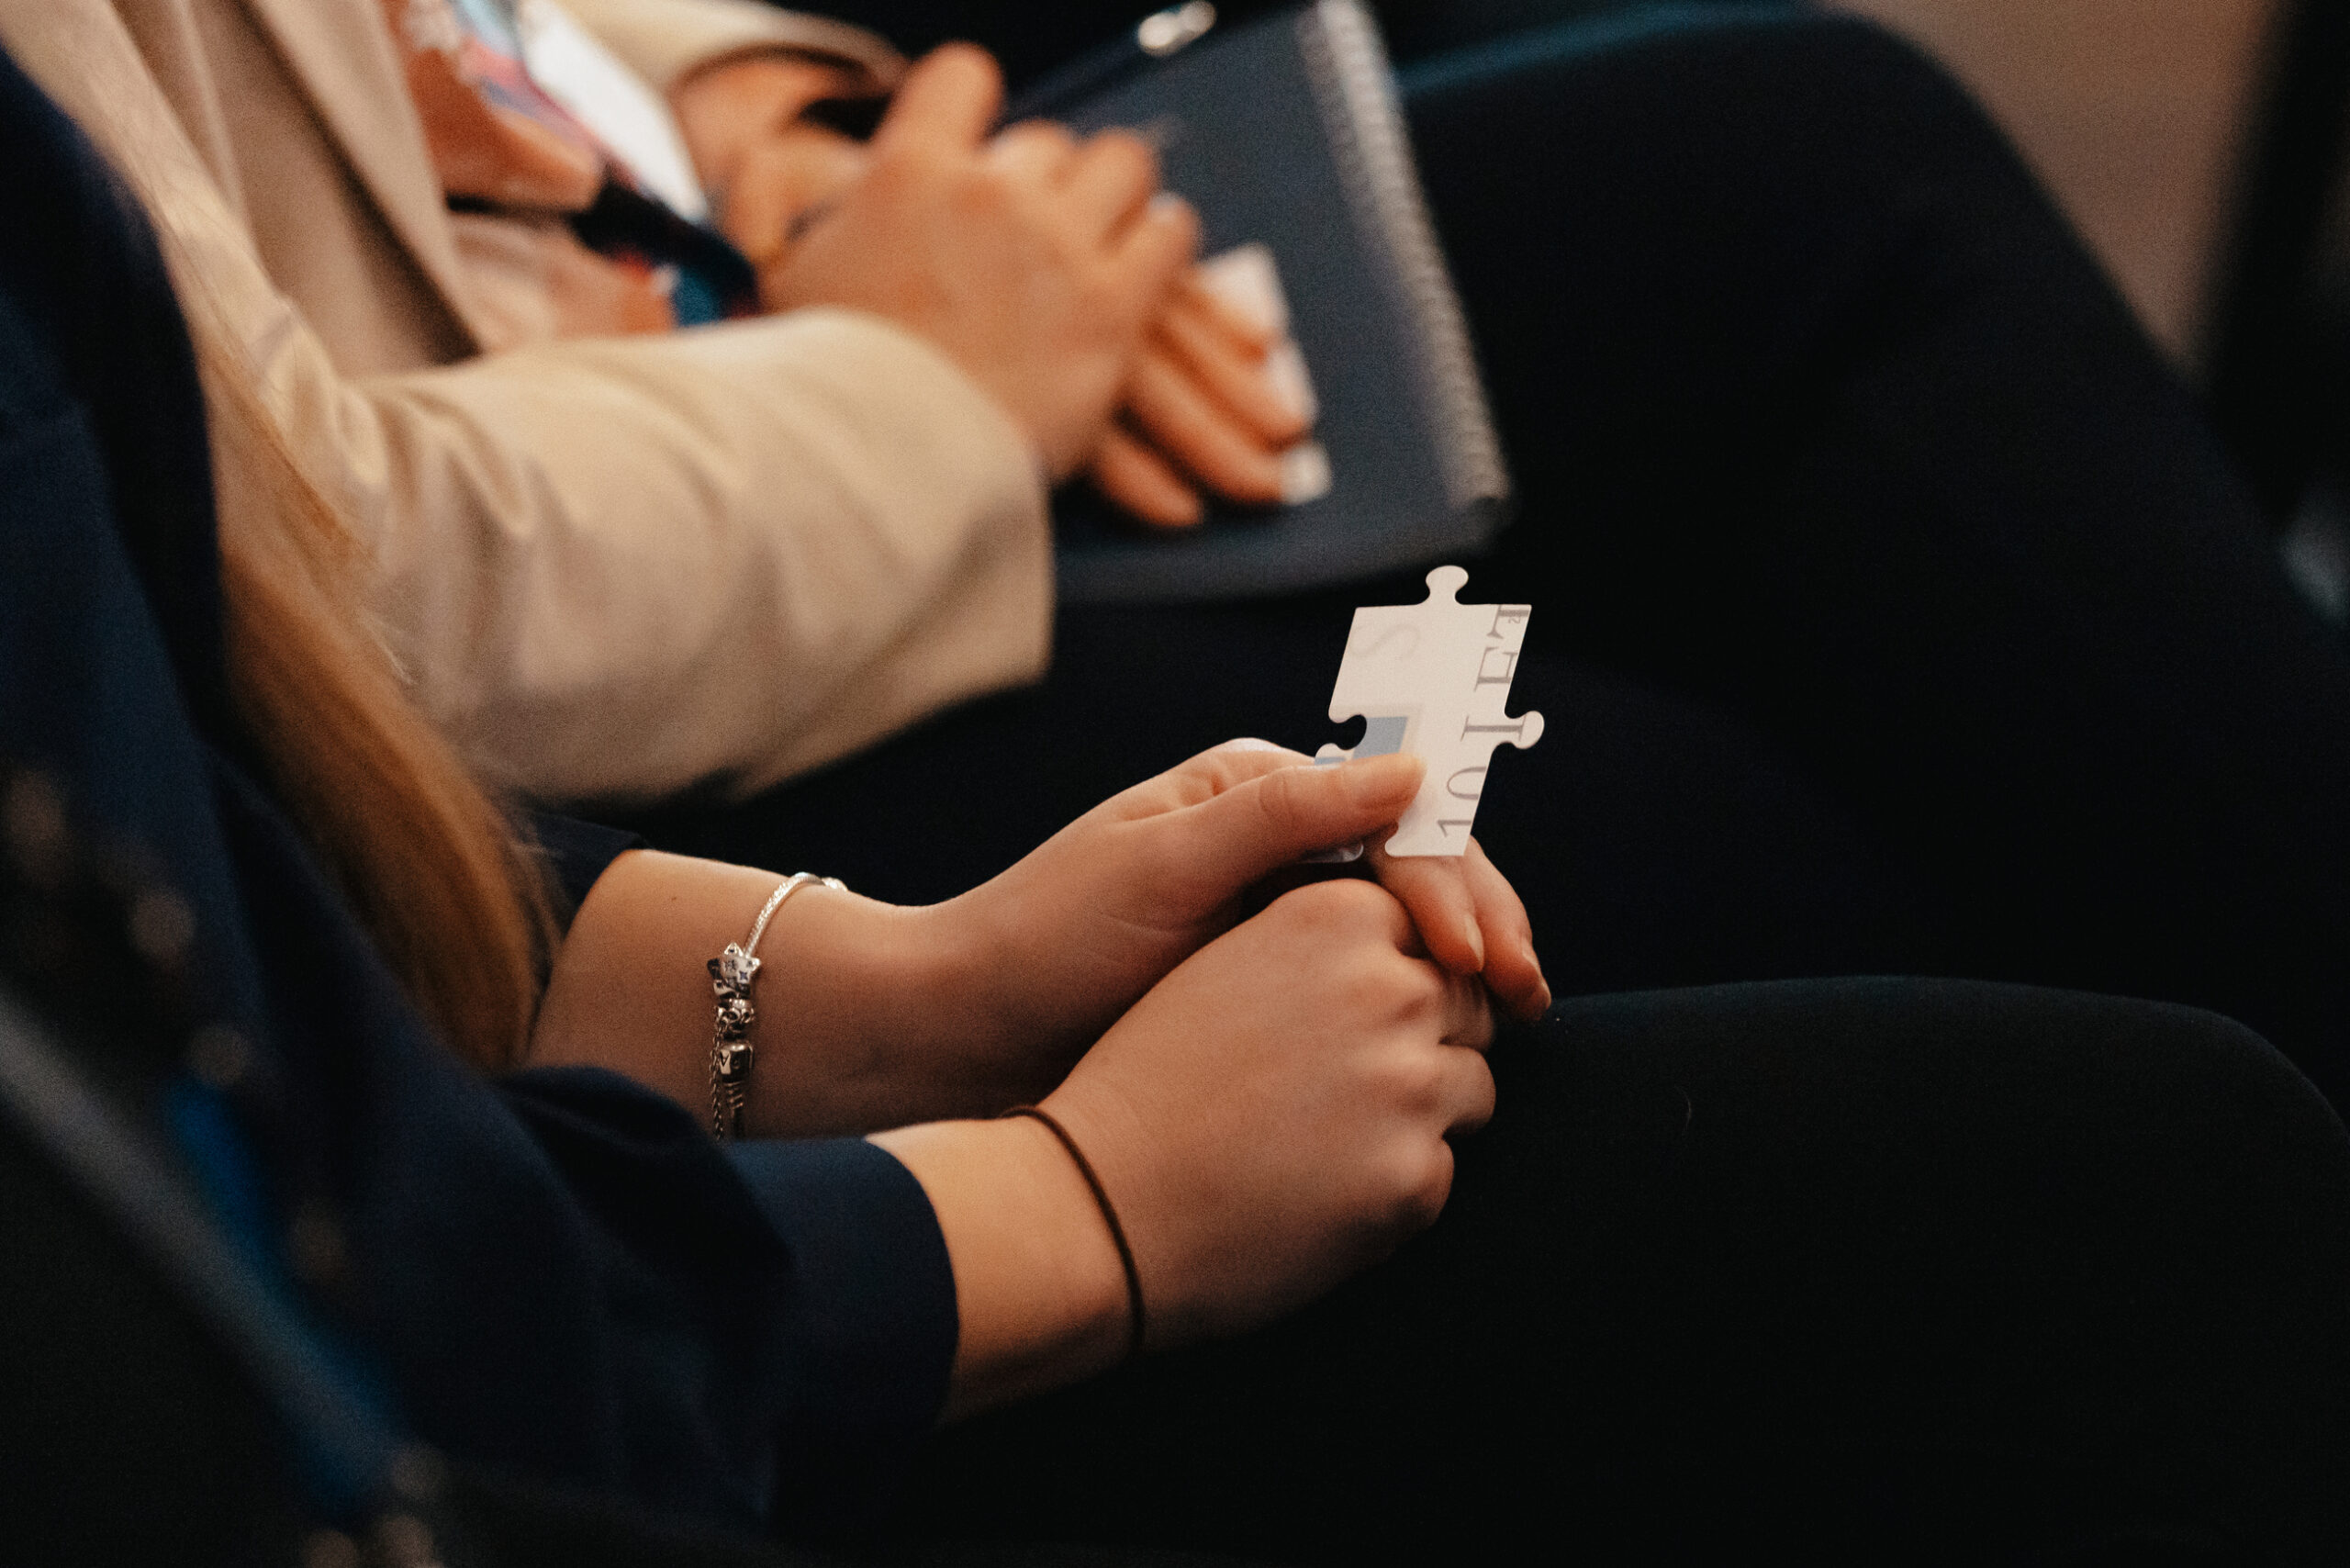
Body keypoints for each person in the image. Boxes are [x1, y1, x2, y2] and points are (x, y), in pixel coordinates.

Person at [6, 33, 2350, 1563]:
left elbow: (246, 825)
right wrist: (1074, 1198)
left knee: (1803, 196)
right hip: (598, 1327)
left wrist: (891, 981)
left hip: (581, 794)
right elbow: (341, 1282)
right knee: (2118, 1146)